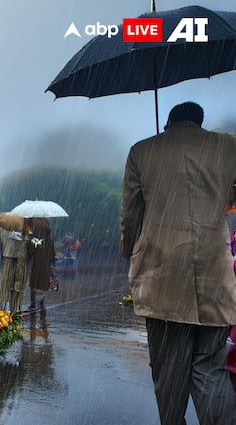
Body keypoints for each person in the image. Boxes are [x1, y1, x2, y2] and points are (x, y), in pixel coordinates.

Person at [120, 101, 236, 424]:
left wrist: (131, 251)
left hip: (162, 279)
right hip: (215, 279)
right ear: (200, 122)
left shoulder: (142, 152)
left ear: (168, 122)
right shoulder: (228, 147)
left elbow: (130, 217)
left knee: (169, 375)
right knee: (209, 370)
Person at [0, 225, 25, 312]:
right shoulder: (24, 226)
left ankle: (2, 307)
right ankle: (14, 308)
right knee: (17, 284)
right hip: (20, 259)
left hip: (8, 258)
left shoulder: (3, 227)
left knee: (6, 284)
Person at [26, 218, 54, 312]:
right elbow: (52, 247)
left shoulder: (33, 227)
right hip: (46, 260)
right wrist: (51, 258)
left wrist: (29, 255)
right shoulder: (47, 228)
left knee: (34, 280)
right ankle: (42, 301)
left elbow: (31, 246)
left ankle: (33, 303)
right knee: (43, 280)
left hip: (37, 259)